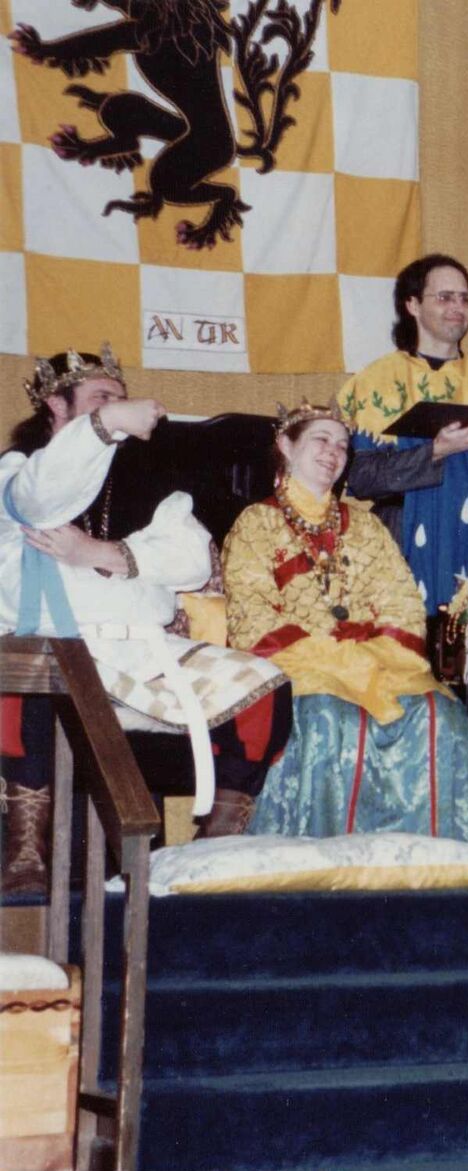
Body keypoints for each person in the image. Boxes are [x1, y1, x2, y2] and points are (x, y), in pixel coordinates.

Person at [2, 347, 291, 894]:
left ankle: (212, 850)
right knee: (19, 681)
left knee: (265, 690)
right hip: (54, 654)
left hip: (140, 655)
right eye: (99, 399)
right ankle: (25, 852)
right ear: (56, 407)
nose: (116, 408)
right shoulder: (18, 472)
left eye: (119, 399)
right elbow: (41, 501)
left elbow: (190, 557)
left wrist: (100, 554)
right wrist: (105, 423)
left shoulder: (149, 475)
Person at [222, 401, 468, 848]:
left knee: (442, 717)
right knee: (327, 716)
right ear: (286, 445)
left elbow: (401, 602)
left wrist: (375, 655)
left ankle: (431, 862)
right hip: (301, 667)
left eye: (343, 446)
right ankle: (320, 866)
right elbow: (252, 614)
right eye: (321, 440)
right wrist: (335, 658)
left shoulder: (367, 527)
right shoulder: (255, 523)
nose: (333, 452)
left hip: (378, 663)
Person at [339, 254, 468, 770]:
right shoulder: (377, 380)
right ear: (412, 305)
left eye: (465, 299)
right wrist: (435, 452)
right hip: (403, 564)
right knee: (404, 724)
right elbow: (359, 478)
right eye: (444, 297)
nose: (458, 308)